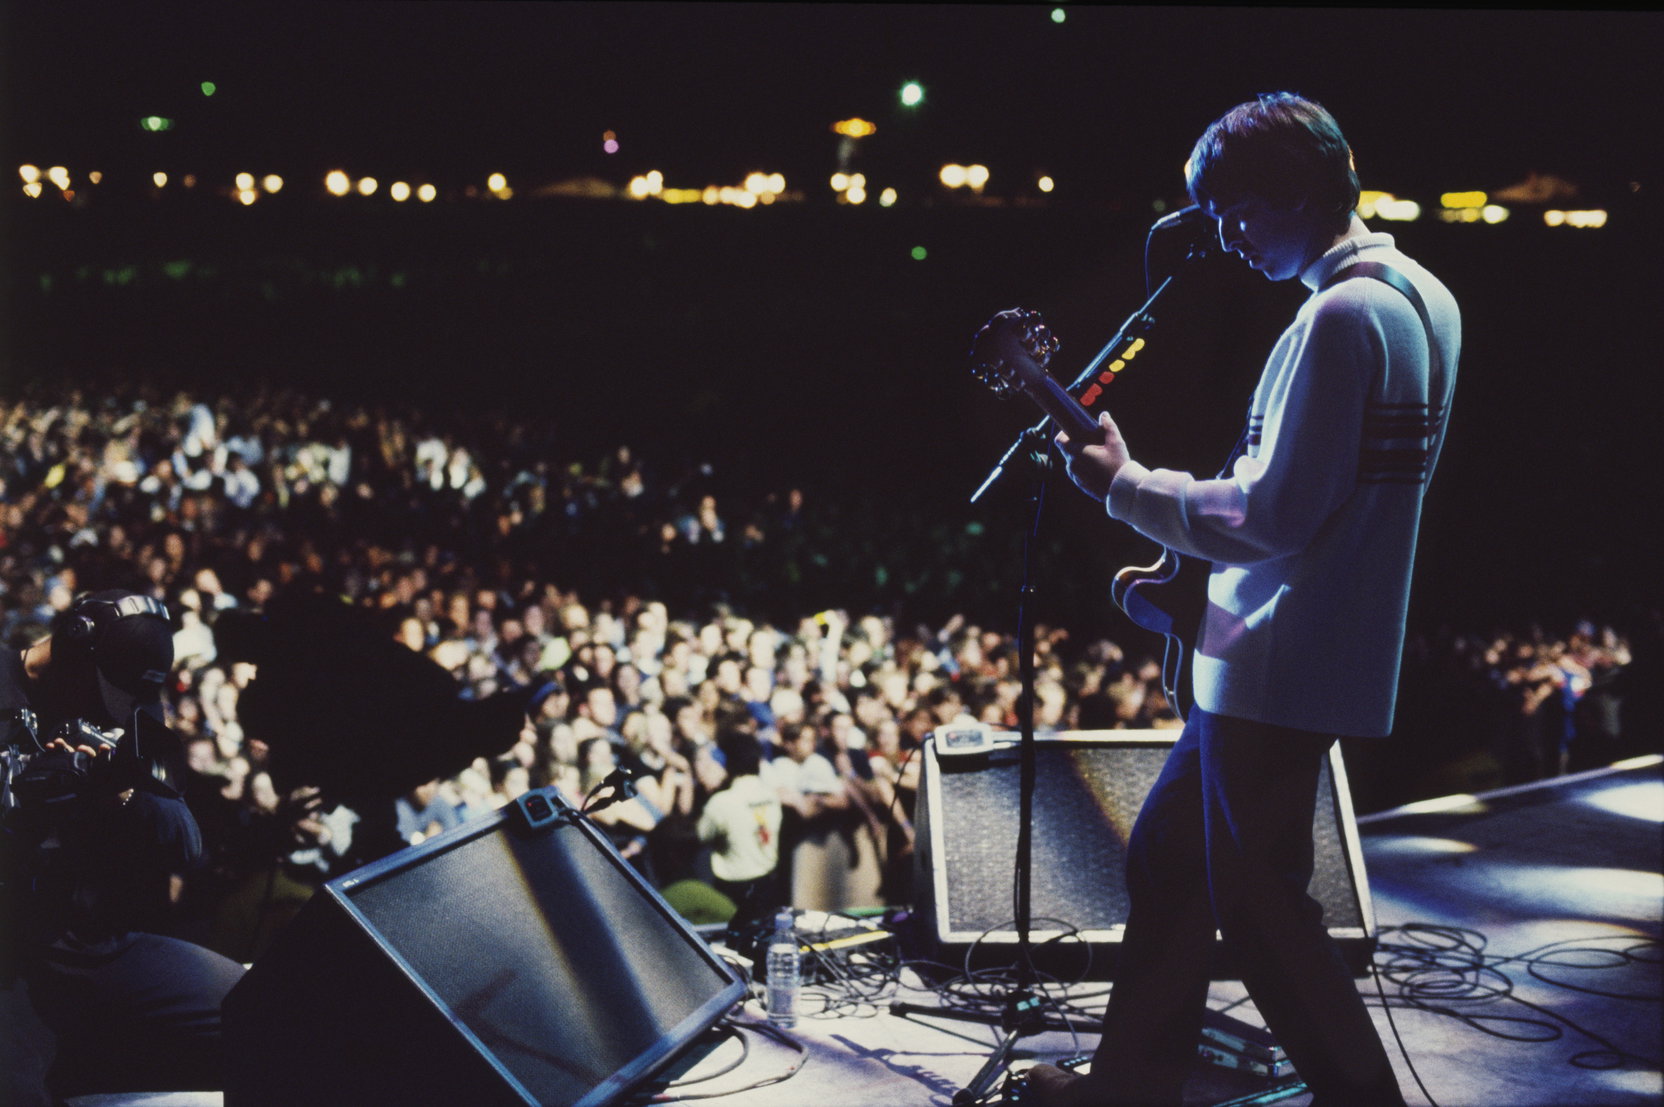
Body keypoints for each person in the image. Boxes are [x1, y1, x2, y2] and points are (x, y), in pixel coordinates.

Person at [1028, 93, 1459, 1106]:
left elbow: (1269, 516)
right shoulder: (1423, 296)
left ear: (1297, 192)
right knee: (1174, 863)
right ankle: (1127, 1085)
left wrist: (1122, 487)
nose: (1223, 237)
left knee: (1263, 915)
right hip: (1301, 647)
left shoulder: (1339, 317)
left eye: (1234, 210)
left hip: (1274, 659)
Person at [1, 590, 247, 1098]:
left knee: (257, 1006)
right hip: (9, 949)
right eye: (104, 693)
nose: (107, 710)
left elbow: (185, 839)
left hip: (84, 941)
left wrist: (118, 792)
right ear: (74, 645)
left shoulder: (125, 709)